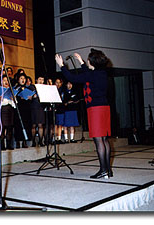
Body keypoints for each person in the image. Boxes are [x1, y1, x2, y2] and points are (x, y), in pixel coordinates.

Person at [55, 49, 112, 179]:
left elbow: (72, 78)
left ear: (92, 62)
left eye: (87, 60)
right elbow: (88, 72)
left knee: (98, 140)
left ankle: (103, 170)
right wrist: (80, 61)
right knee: (104, 139)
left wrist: (61, 65)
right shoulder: (101, 73)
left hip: (95, 109)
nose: (86, 61)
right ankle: (108, 169)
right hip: (104, 108)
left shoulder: (92, 75)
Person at [14, 73, 32, 148]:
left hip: (26, 108)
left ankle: (25, 141)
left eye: (24, 78)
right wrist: (19, 97)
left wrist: (30, 97)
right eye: (21, 78)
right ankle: (18, 141)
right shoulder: (16, 88)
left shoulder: (27, 88)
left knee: (26, 124)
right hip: (19, 108)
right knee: (18, 125)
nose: (23, 80)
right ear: (18, 79)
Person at [0, 75, 15, 150]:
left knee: (10, 127)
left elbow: (15, 104)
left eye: (7, 80)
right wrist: (0, 98)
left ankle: (9, 144)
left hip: (10, 109)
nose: (6, 82)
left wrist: (13, 99)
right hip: (3, 109)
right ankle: (2, 144)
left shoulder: (11, 90)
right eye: (4, 80)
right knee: (3, 127)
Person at [30, 75, 46, 147]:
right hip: (34, 107)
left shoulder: (45, 88)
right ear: (36, 80)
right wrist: (33, 96)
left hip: (41, 107)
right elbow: (28, 97)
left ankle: (40, 141)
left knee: (40, 125)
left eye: (42, 80)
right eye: (40, 79)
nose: (41, 81)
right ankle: (33, 141)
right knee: (33, 125)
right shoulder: (32, 87)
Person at [54, 77, 65, 144]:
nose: (57, 84)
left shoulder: (62, 90)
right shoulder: (53, 90)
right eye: (56, 82)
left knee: (60, 124)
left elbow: (62, 99)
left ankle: (59, 138)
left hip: (60, 109)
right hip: (54, 109)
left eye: (59, 82)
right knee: (55, 124)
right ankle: (55, 138)